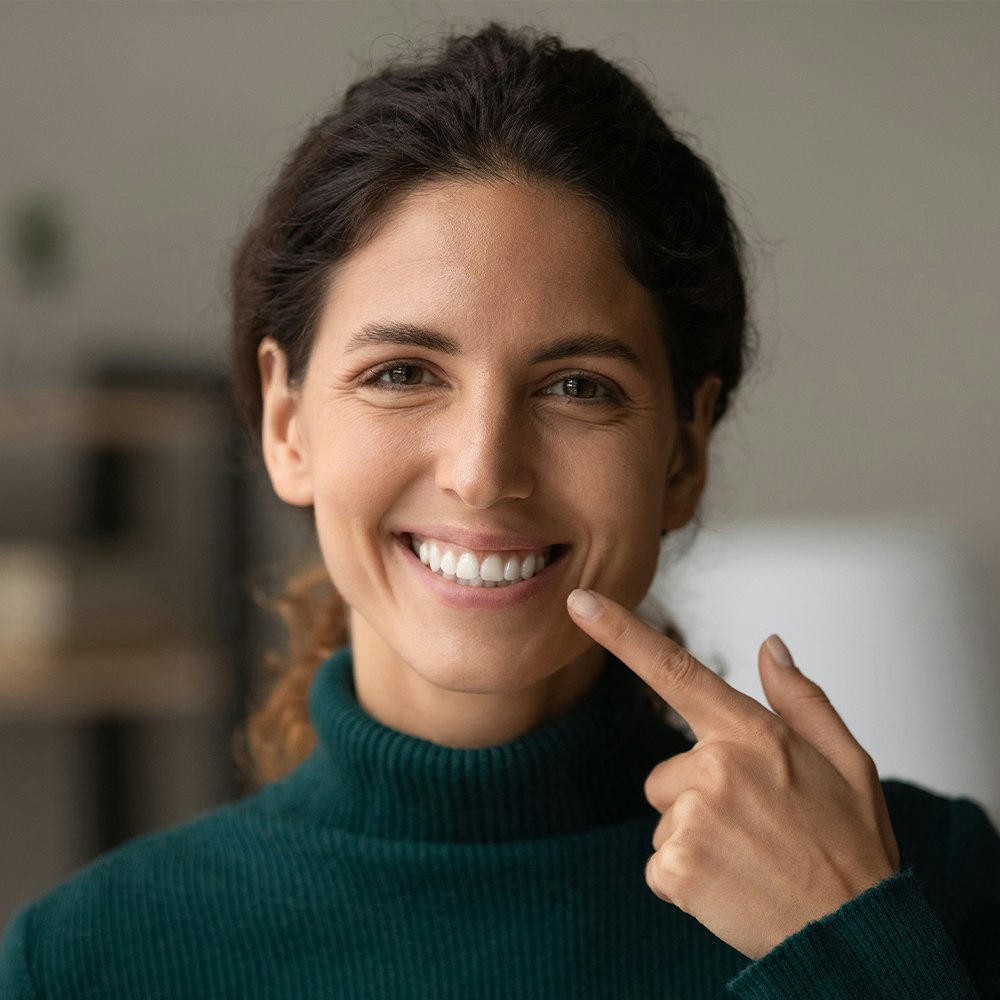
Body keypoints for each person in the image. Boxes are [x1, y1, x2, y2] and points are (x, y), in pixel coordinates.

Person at [2, 21, 998, 999]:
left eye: (576, 387)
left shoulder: (925, 888)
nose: (483, 472)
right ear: (285, 421)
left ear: (684, 450)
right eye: (402, 372)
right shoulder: (89, 959)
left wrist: (849, 954)